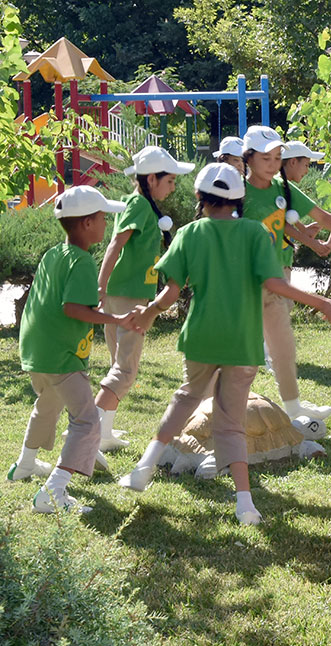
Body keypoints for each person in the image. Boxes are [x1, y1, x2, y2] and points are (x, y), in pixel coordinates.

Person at [118, 163, 331, 524]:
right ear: (239, 198)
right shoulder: (256, 233)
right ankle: (245, 504)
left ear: (199, 197)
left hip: (202, 337)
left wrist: (147, 315)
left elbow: (170, 293)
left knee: (187, 397)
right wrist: (325, 304)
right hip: (242, 341)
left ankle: (144, 465)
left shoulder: (189, 234)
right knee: (231, 422)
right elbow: (277, 285)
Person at [10, 186, 138, 513]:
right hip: (62, 357)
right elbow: (73, 308)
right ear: (85, 224)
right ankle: (53, 492)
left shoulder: (54, 254)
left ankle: (25, 464)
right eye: (102, 218)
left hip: (37, 353)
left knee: (48, 403)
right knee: (87, 421)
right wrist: (117, 318)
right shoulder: (80, 261)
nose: (106, 223)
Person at [241, 125, 331, 421]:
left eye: (277, 158)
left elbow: (322, 217)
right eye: (266, 159)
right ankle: (228, 412)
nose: (274, 165)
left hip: (274, 284)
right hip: (243, 287)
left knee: (283, 349)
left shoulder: (281, 189)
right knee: (244, 357)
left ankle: (293, 408)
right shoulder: (237, 192)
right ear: (248, 158)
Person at [94, 146, 194, 452]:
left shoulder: (140, 204)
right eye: (170, 180)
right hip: (127, 297)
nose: (174, 186)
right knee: (125, 371)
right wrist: (99, 286)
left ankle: (104, 433)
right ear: (152, 178)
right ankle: (91, 436)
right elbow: (115, 244)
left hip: (122, 294)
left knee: (117, 366)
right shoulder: (138, 204)